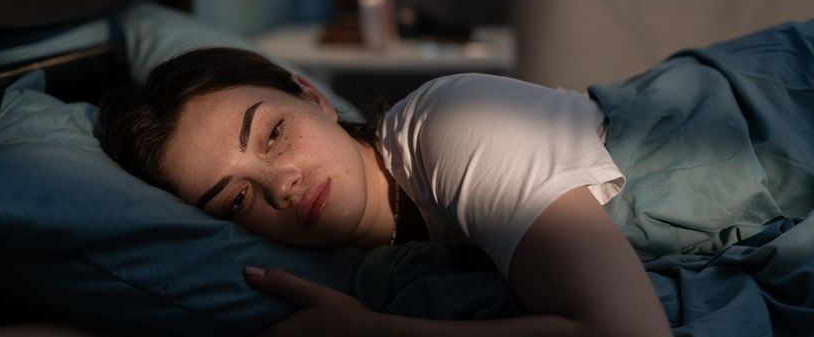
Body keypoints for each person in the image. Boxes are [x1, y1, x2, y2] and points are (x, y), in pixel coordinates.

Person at [94, 47, 673, 337]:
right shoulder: (383, 261)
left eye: (273, 134)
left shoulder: (453, 125)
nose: (282, 186)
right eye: (237, 200)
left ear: (313, 97)